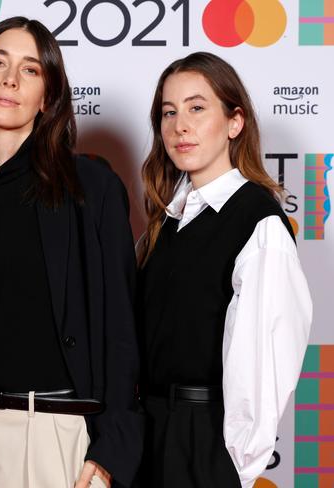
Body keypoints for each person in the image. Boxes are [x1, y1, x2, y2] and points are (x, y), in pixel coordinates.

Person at [0, 16, 142, 488]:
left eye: (31, 70)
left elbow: (121, 329)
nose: (10, 79)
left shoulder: (91, 190)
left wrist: (112, 448)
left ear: (48, 97)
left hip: (52, 432)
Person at [136, 51, 312, 488]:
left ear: (235, 123)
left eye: (197, 108)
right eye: (169, 112)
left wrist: (235, 465)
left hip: (206, 441)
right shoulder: (166, 221)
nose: (181, 125)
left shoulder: (258, 221)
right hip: (150, 433)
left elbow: (264, 360)